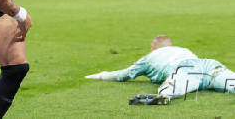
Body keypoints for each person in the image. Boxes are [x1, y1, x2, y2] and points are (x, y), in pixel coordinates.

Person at [85, 35, 235, 102]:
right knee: (229, 82)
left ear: (153, 47)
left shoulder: (148, 58)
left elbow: (123, 75)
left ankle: (164, 96)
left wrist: (101, 75)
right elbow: (195, 64)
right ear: (170, 45)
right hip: (209, 65)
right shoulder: (182, 49)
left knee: (171, 88)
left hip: (184, 70)